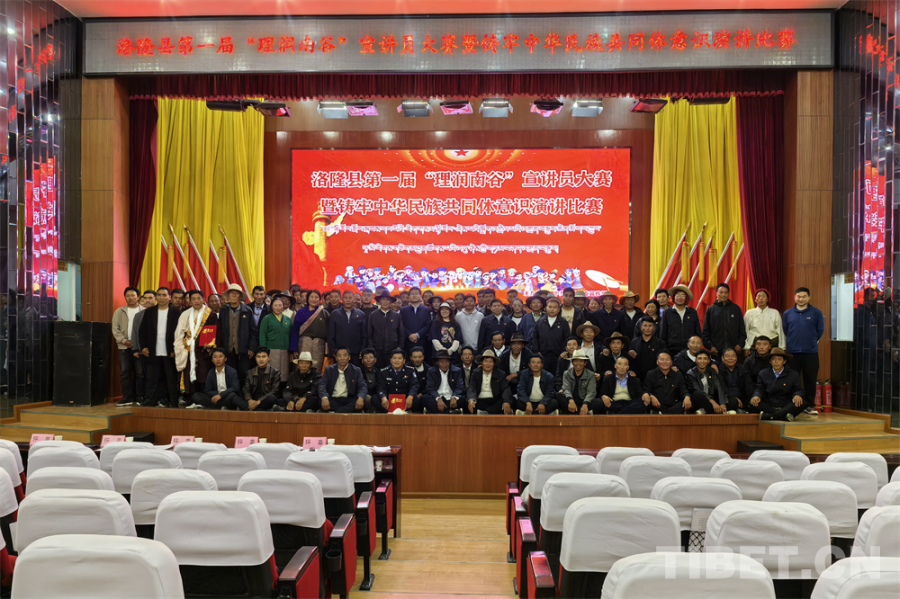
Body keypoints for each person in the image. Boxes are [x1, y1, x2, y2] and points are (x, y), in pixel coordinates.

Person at [782, 287, 824, 414]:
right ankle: (792, 405)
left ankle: (809, 406)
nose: (801, 299)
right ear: (795, 297)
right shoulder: (787, 313)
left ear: (809, 297)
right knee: (792, 379)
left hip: (810, 352)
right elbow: (785, 330)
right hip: (792, 352)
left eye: (804, 296)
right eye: (798, 296)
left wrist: (810, 341)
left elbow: (820, 331)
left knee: (810, 380)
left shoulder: (816, 313)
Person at [138, 287, 180, 407]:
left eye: (164, 295)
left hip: (170, 351)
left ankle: (173, 401)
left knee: (171, 379)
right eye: (159, 295)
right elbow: (142, 331)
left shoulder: (176, 312)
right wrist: (143, 347)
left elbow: (180, 333)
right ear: (156, 297)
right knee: (152, 379)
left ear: (169, 297)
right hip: (152, 351)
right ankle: (151, 400)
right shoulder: (149, 312)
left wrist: (175, 349)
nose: (161, 297)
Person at [174, 290, 218, 400]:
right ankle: (191, 400)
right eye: (193, 299)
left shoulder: (210, 314)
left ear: (203, 299)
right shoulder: (185, 314)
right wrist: (180, 349)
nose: (196, 301)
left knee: (203, 376)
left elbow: (215, 333)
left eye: (199, 298)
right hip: (188, 351)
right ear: (189, 301)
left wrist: (210, 346)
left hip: (203, 352)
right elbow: (179, 333)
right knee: (189, 377)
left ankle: (204, 401)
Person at [217, 283, 259, 386]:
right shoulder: (223, 310)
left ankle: (244, 394)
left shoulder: (247, 310)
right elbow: (220, 330)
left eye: (236, 293)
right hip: (228, 348)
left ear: (240, 296)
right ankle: (232, 393)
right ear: (228, 295)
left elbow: (253, 330)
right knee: (230, 374)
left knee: (244, 374)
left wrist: (252, 347)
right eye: (231, 293)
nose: (234, 295)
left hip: (244, 349)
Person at [749, 348, 806, 421]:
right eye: (773, 359)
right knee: (752, 403)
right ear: (770, 361)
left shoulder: (793, 374)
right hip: (769, 404)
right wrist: (757, 396)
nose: (776, 362)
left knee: (802, 402)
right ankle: (783, 415)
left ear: (784, 361)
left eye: (779, 359)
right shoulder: (763, 373)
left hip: (786, 404)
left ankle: (771, 416)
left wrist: (797, 395)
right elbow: (759, 388)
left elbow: (798, 389)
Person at [112, 286, 143, 407]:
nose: (130, 298)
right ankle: (127, 397)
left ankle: (140, 397)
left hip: (139, 347)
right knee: (125, 373)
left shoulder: (144, 311)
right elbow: (115, 329)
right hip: (124, 347)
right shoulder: (119, 312)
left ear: (137, 297)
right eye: (128, 296)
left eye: (133, 295)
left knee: (140, 373)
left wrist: (137, 343)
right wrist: (124, 341)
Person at [702, 283, 747, 359]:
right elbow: (706, 332)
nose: (723, 295)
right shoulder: (711, 310)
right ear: (716, 293)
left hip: (734, 351)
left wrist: (740, 344)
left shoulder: (736, 309)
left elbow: (742, 330)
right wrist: (711, 347)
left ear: (728, 294)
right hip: (716, 352)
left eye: (726, 292)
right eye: (721, 292)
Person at [128, 290, 157, 405]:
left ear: (155, 299)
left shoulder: (160, 312)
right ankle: (141, 396)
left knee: (155, 376)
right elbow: (135, 332)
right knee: (141, 374)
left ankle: (155, 397)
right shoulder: (138, 315)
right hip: (141, 351)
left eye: (150, 298)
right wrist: (135, 349)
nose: (147, 300)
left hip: (157, 351)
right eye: (145, 298)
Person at [289, 289, 329, 372]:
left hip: (319, 345)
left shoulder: (324, 313)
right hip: (303, 343)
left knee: (317, 367)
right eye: (312, 297)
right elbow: (295, 331)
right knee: (302, 366)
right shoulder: (301, 312)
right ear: (307, 298)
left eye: (316, 297)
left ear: (320, 299)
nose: (314, 299)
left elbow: (329, 331)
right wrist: (294, 348)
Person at [318, 347, 368, 413]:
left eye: (345, 355)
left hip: (349, 399)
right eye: (339, 356)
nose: (342, 358)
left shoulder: (356, 370)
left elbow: (362, 386)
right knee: (320, 401)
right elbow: (322, 385)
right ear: (336, 358)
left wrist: (360, 397)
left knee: (363, 401)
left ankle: (335, 413)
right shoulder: (329, 370)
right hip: (333, 399)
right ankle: (345, 412)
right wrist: (324, 397)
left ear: (349, 357)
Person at [327, 289, 367, 366]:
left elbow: (364, 335)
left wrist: (362, 350)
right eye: (346, 298)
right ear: (342, 299)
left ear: (354, 299)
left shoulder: (361, 314)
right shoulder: (335, 314)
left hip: (356, 352)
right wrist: (333, 351)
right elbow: (331, 334)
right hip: (339, 352)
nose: (348, 300)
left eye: (350, 298)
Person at [532, 297, 570, 376]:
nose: (552, 309)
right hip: (543, 355)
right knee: (543, 376)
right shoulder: (540, 321)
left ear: (558, 309)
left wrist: (564, 351)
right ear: (546, 308)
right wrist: (537, 351)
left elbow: (567, 338)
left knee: (557, 376)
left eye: (554, 307)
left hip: (559, 356)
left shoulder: (563, 322)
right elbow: (535, 337)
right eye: (550, 307)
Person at [467, 349, 512, 414]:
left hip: (494, 401)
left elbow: (505, 388)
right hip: (480, 400)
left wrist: (506, 401)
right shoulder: (476, 373)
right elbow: (472, 388)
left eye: (490, 362)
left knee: (504, 402)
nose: (488, 364)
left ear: (494, 363)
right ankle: (488, 412)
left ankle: (485, 412)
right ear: (481, 363)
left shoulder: (500, 374)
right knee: (469, 403)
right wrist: (471, 399)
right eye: (486, 361)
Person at [659, 285, 701, 356]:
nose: (680, 298)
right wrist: (664, 349)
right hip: (671, 349)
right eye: (677, 295)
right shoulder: (667, 312)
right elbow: (663, 333)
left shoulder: (692, 312)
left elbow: (697, 331)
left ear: (686, 298)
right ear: (674, 297)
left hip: (690, 349)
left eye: (683, 295)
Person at [374, 349, 420, 413]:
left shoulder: (410, 370)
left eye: (399, 358)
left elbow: (415, 385)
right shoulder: (384, 372)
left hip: (405, 399)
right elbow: (380, 387)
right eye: (394, 358)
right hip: (389, 400)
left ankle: (406, 411)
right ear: (391, 360)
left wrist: (410, 396)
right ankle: (388, 411)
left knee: (417, 400)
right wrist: (383, 398)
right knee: (375, 398)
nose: (396, 360)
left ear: (404, 361)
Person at [421, 349, 467, 414]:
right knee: (424, 398)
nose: (444, 364)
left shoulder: (457, 371)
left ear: (450, 362)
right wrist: (438, 399)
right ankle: (449, 412)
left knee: (462, 400)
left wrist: (454, 397)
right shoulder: (431, 371)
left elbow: (460, 387)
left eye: (446, 362)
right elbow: (430, 388)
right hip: (436, 399)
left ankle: (439, 412)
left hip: (451, 399)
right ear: (437, 362)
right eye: (441, 362)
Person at [259, 296, 292, 383]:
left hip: (285, 350)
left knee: (284, 374)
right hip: (271, 349)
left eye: (280, 305)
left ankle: (282, 389)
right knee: (272, 374)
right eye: (275, 305)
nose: (278, 307)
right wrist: (263, 349)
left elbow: (290, 335)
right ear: (272, 306)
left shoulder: (288, 320)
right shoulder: (267, 318)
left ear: (283, 306)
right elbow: (262, 334)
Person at [241, 347, 285, 411]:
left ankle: (251, 408)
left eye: (263, 357)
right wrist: (250, 400)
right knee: (238, 397)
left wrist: (259, 401)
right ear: (255, 358)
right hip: (253, 399)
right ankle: (259, 408)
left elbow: (274, 391)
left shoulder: (275, 372)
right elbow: (246, 389)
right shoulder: (250, 372)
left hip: (265, 399)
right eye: (258, 357)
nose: (261, 359)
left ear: (269, 358)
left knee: (273, 399)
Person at [368, 291, 405, 368]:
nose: (385, 302)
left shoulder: (396, 316)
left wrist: (399, 347)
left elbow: (401, 332)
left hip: (393, 351)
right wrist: (371, 349)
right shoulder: (373, 315)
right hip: (377, 350)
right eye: (383, 300)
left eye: (387, 300)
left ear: (391, 302)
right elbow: (369, 333)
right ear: (379, 301)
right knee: (378, 370)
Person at [743, 288, 786, 353]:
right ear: (755, 299)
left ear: (767, 299)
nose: (761, 298)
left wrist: (782, 347)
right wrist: (746, 347)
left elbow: (780, 330)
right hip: (754, 343)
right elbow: (745, 330)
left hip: (772, 341)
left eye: (764, 296)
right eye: (759, 296)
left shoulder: (774, 312)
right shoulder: (749, 313)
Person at [558, 349, 596, 415]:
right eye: (576, 361)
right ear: (572, 363)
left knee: (598, 402)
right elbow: (566, 389)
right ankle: (577, 411)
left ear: (585, 363)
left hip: (584, 399)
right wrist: (571, 400)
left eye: (581, 361)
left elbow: (591, 392)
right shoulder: (566, 373)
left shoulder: (591, 374)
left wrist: (585, 404)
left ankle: (576, 411)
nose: (578, 363)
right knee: (558, 395)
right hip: (571, 399)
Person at [684, 350, 722, 414]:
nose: (702, 361)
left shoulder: (712, 371)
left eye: (705, 359)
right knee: (698, 394)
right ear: (696, 360)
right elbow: (698, 391)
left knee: (733, 402)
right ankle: (714, 412)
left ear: (708, 361)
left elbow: (719, 386)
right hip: (698, 400)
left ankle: (704, 411)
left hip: (712, 397)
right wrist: (713, 402)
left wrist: (723, 403)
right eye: (699, 358)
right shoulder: (690, 373)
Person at [717, 348, 754, 412]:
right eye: (727, 356)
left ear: (736, 358)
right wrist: (734, 397)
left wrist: (752, 397)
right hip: (726, 398)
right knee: (733, 402)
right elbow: (722, 388)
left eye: (733, 356)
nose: (730, 358)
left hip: (741, 397)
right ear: (722, 358)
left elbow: (749, 385)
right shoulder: (718, 370)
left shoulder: (742, 368)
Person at [400, 287, 432, 357]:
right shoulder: (403, 310)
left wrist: (417, 335)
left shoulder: (426, 310)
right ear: (409, 297)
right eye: (412, 294)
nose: (414, 295)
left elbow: (427, 325)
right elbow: (401, 325)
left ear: (420, 296)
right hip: (407, 341)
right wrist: (409, 335)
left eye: (416, 294)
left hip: (422, 341)